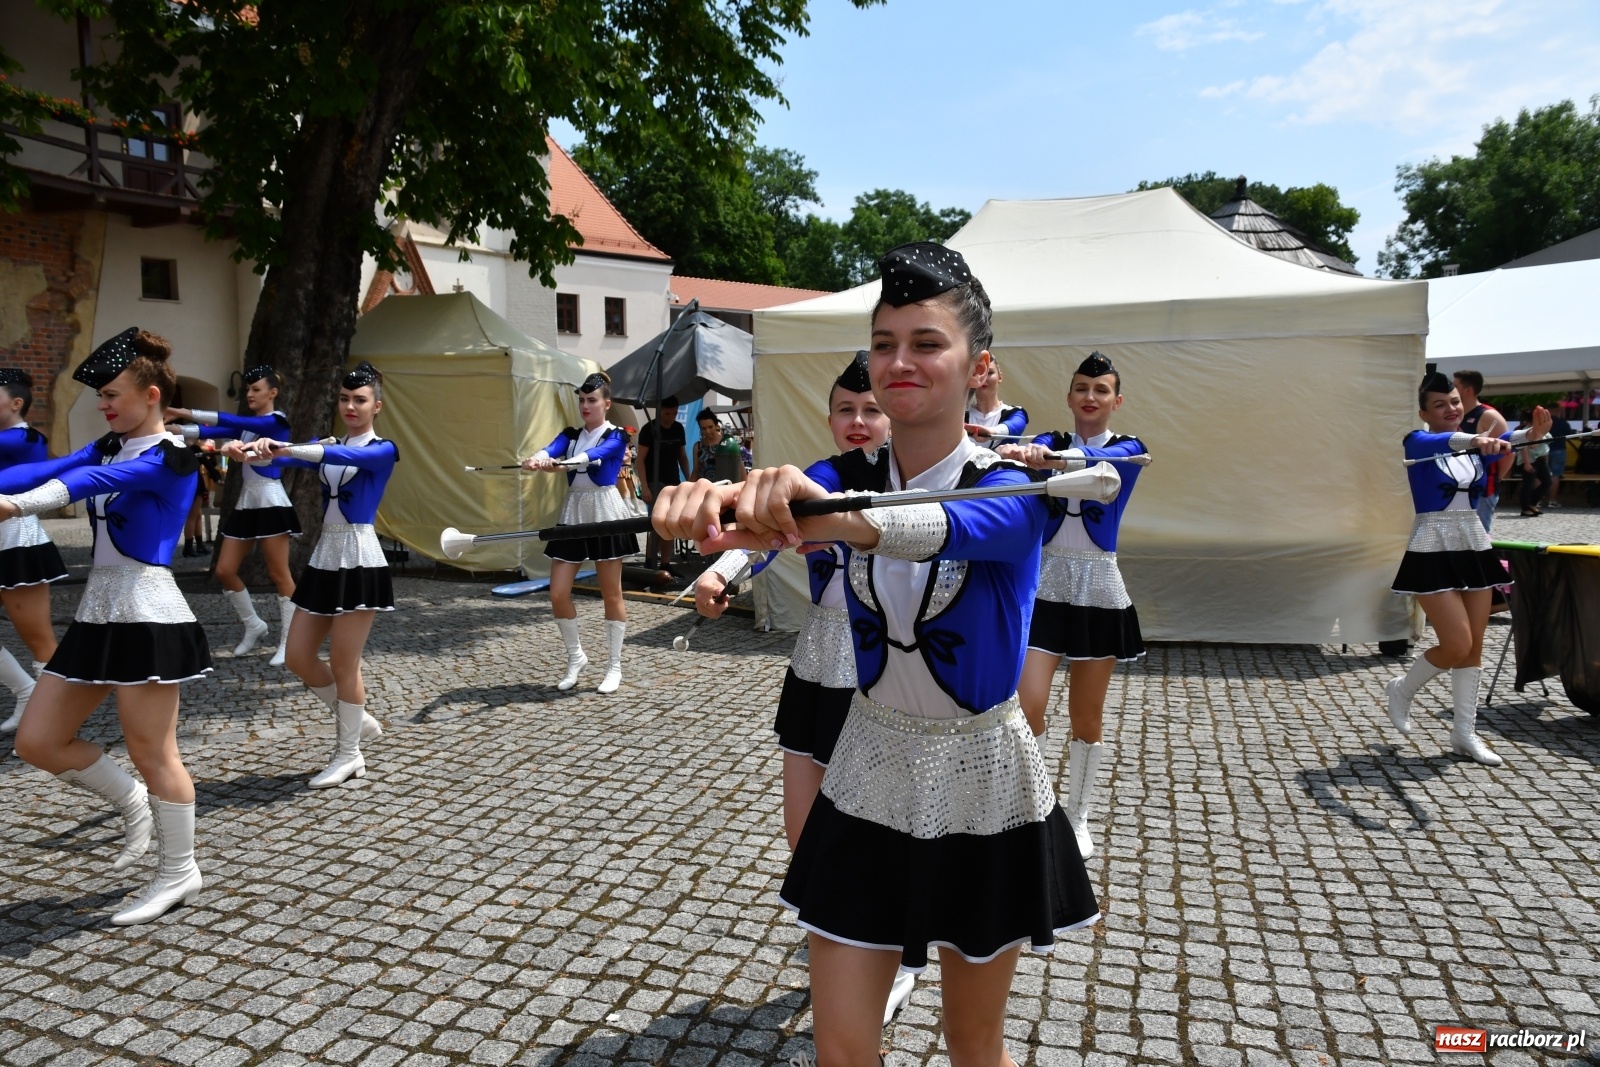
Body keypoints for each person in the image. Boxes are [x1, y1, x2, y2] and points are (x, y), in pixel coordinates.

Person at [652, 243, 1098, 1065]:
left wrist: (815, 513)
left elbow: (922, 524)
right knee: (842, 1049)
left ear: (977, 365)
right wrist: (711, 506)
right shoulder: (845, 473)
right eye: (885, 341)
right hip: (867, 767)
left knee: (972, 1047)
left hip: (981, 781)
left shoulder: (1015, 491)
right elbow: (781, 502)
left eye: (926, 342)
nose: (899, 361)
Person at [0, 328, 212, 925]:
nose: (104, 404)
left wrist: (17, 508)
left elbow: (87, 485)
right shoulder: (109, 444)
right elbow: (58, 467)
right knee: (36, 741)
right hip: (98, 614)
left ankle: (178, 871)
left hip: (148, 615)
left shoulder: (170, 455)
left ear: (150, 394)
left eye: (114, 394)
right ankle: (131, 802)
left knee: (154, 750)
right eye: (102, 396)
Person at [997, 351, 1146, 861]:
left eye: (1100, 390)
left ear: (1116, 400)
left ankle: (1079, 817)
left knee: (1087, 715)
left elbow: (1103, 473)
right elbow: (1034, 447)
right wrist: (1024, 452)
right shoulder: (1051, 439)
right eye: (1082, 387)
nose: (1090, 397)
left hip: (1099, 587)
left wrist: (1050, 462)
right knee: (1028, 701)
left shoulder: (1130, 448)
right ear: (1069, 396)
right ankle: (1041, 809)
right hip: (1044, 583)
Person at [243, 361, 395, 788]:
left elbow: (335, 455)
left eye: (360, 400)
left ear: (376, 406)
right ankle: (357, 718)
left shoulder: (382, 450)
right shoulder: (331, 444)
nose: (350, 405)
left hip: (360, 557)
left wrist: (287, 448)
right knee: (298, 656)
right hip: (326, 555)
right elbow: (305, 456)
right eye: (345, 399)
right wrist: (259, 450)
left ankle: (349, 754)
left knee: (345, 661)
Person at [1385, 372, 1549, 767]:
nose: (1451, 409)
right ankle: (1402, 690)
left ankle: (1464, 733)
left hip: (1473, 545)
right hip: (1431, 547)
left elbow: (1514, 442)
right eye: (1440, 404)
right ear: (1424, 412)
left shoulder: (1476, 448)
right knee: (1455, 644)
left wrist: (1535, 433)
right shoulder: (1418, 441)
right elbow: (1449, 441)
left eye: (1456, 402)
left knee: (1473, 647)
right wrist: (1476, 439)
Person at [168, 366, 301, 665]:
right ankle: (254, 625)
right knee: (224, 570)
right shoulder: (248, 426)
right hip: (247, 501)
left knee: (280, 574)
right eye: (248, 389)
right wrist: (168, 428)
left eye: (256, 389)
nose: (250, 394)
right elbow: (210, 432)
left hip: (270, 499)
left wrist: (182, 410)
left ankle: (291, 640)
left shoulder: (277, 422)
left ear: (273, 393)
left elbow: (229, 420)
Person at [521, 372, 636, 694]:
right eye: (582, 400)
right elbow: (551, 448)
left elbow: (596, 456)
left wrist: (564, 464)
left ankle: (614, 665)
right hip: (574, 510)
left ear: (606, 403)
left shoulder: (616, 435)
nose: (586, 406)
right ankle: (576, 658)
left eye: (592, 400)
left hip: (604, 511)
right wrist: (537, 460)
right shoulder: (571, 434)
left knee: (610, 592)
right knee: (558, 591)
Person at [0, 369, 66, 732]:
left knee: (40, 639)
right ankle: (26, 693)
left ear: (16, 403)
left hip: (18, 545)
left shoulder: (25, 440)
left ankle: (55, 718)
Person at [636, 396, 688, 572]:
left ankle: (666, 563)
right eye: (667, 413)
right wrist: (644, 486)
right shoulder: (649, 429)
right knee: (656, 522)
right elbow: (640, 460)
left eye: (674, 413)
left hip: (673, 481)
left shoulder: (678, 428)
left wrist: (689, 479)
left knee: (671, 523)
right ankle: (650, 560)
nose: (671, 417)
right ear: (660, 411)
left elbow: (682, 456)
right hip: (654, 481)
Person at [1452, 371, 1508, 532]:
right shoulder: (1456, 414)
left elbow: (1508, 452)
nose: (1451, 389)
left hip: (1482, 491)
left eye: (1455, 386)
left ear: (1468, 390)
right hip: (1458, 488)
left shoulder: (1487, 415)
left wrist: (1494, 478)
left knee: (1477, 539)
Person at [963, 354, 1027, 448]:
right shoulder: (961, 415)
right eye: (978, 373)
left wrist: (991, 433)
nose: (983, 378)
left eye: (989, 373)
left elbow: (1013, 426)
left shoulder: (1016, 413)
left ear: (1000, 377)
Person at [690, 410, 746, 484]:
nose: (708, 431)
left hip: (725, 487)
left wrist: (745, 485)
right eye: (704, 428)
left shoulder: (727, 443)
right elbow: (696, 471)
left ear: (716, 425)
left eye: (710, 427)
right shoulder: (698, 446)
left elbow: (740, 467)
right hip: (705, 488)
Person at [1517, 418, 1551, 517]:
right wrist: (1527, 463)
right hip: (1530, 460)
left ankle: (1532, 503)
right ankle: (1525, 509)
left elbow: (1546, 446)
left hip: (1541, 459)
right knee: (1528, 485)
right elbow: (1525, 448)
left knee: (1547, 482)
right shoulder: (1525, 431)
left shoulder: (1543, 430)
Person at [1546, 410, 1573, 506]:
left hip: (1543, 450)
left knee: (1539, 475)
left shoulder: (1543, 422)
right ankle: (1552, 501)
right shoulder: (1563, 423)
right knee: (1555, 475)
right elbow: (1569, 435)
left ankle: (1537, 501)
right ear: (1558, 411)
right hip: (1559, 450)